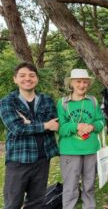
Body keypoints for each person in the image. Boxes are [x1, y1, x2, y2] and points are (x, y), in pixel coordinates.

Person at [0, 62, 59, 209]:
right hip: (18, 160)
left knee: (36, 203)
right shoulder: (7, 102)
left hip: (42, 159)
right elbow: (16, 128)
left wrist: (28, 122)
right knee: (13, 203)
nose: (28, 78)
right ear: (15, 79)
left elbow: (55, 125)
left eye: (32, 75)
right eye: (22, 75)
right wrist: (44, 125)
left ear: (37, 79)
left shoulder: (46, 100)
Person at [57, 69, 105, 209]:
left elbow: (102, 122)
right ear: (71, 83)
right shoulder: (63, 103)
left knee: (89, 184)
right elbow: (61, 128)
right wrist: (77, 126)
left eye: (85, 82)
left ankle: (89, 206)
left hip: (90, 149)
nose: (82, 85)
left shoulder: (93, 101)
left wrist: (92, 126)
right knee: (70, 185)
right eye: (78, 81)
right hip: (70, 150)